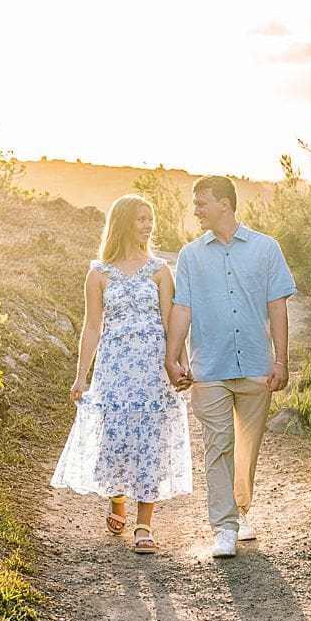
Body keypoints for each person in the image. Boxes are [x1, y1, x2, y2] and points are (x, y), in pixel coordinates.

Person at [51, 194, 192, 554]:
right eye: (141, 219)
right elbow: (92, 327)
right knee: (113, 439)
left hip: (151, 365)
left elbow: (170, 322)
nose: (147, 225)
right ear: (124, 222)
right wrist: (81, 376)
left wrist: (178, 363)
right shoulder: (99, 273)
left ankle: (144, 524)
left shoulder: (160, 270)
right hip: (114, 367)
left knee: (150, 440)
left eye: (150, 219)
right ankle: (116, 499)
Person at [166, 175, 296, 559]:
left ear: (224, 203)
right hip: (210, 367)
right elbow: (182, 309)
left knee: (246, 447)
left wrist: (281, 360)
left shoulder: (266, 249)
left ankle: (239, 510)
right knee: (218, 444)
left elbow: (277, 307)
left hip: (256, 363)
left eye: (201, 203)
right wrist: (172, 357)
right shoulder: (190, 255)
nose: (195, 211)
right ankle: (224, 526)